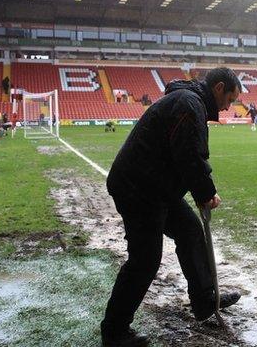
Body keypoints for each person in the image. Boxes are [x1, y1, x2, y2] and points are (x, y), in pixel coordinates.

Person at [101, 67, 242, 347]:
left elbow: (186, 155)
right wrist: (206, 193)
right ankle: (115, 331)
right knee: (145, 259)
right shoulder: (189, 105)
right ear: (219, 88)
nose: (229, 107)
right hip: (138, 187)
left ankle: (204, 300)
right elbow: (189, 154)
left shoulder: (190, 101)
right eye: (230, 99)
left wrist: (202, 190)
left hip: (155, 186)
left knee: (190, 231)